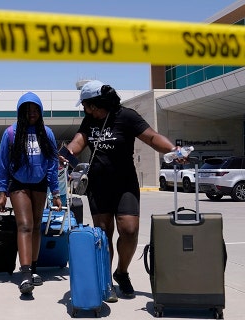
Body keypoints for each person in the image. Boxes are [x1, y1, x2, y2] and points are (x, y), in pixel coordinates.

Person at [61, 80, 178, 302]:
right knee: (103, 235)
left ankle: (121, 272)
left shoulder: (127, 117)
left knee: (130, 230)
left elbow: (151, 137)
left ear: (95, 103)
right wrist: (65, 155)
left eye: (85, 105)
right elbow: (78, 142)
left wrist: (172, 149)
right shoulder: (89, 121)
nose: (84, 109)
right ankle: (106, 279)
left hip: (125, 184)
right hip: (99, 185)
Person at [0, 92, 63, 295]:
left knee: (35, 227)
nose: (32, 114)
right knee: (24, 225)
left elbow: (52, 165)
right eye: (27, 110)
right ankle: (25, 274)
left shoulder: (47, 133)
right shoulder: (10, 133)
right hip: (19, 184)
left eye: (35, 110)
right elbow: (3, 165)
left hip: (40, 184)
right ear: (20, 112)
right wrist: (2, 192)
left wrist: (56, 192)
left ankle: (33, 269)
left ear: (40, 112)